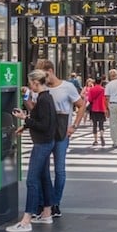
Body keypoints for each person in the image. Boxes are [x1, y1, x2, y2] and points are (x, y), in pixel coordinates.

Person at [6, 69, 57, 232]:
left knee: (32, 180)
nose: (30, 86)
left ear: (36, 83)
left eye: (30, 83)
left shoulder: (44, 100)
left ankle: (26, 220)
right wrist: (25, 125)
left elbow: (43, 125)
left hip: (42, 144)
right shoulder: (45, 98)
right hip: (46, 142)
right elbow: (42, 121)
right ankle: (47, 213)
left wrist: (25, 119)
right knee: (44, 177)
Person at [37, 59, 86, 218]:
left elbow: (81, 105)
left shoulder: (67, 87)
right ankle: (46, 202)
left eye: (44, 75)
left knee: (59, 169)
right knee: (42, 170)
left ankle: (55, 202)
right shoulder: (41, 88)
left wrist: (74, 126)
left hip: (61, 132)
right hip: (44, 132)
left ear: (50, 71)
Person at [87, 77, 107, 147]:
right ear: (101, 82)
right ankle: (101, 134)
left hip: (94, 109)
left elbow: (89, 99)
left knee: (94, 125)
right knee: (101, 124)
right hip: (101, 108)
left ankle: (95, 140)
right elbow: (106, 99)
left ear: (95, 82)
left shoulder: (91, 89)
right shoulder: (103, 89)